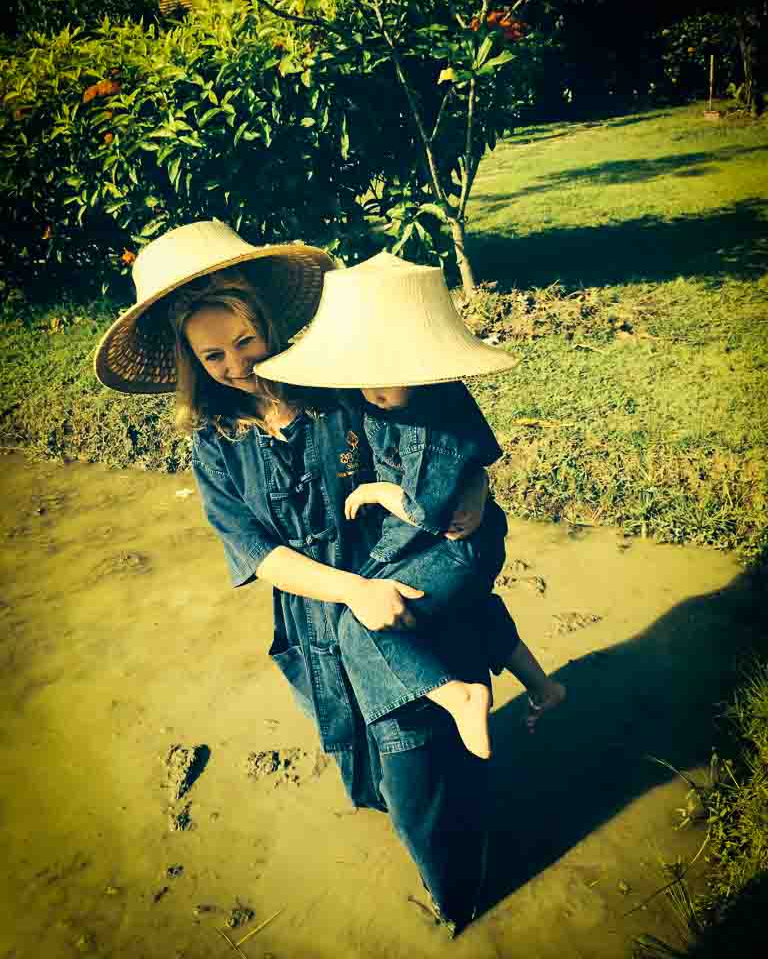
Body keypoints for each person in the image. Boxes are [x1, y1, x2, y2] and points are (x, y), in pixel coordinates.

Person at [93, 220, 506, 933]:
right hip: (320, 620)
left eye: (245, 343)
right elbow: (257, 551)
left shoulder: (338, 383)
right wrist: (352, 592)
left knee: (419, 764)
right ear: (192, 359)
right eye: (213, 354)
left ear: (270, 324)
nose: (233, 364)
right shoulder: (215, 444)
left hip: (403, 591)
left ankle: (461, 901)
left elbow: (430, 407)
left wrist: (472, 489)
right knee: (367, 767)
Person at [253, 252, 566, 761]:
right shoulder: (381, 399)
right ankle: (543, 686)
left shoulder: (430, 420)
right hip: (445, 542)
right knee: (474, 608)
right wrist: (478, 479)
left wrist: (377, 497)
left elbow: (430, 510)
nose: (372, 391)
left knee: (361, 625)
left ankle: (458, 696)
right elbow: (484, 453)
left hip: (455, 542)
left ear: (422, 371)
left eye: (385, 379)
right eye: (363, 379)